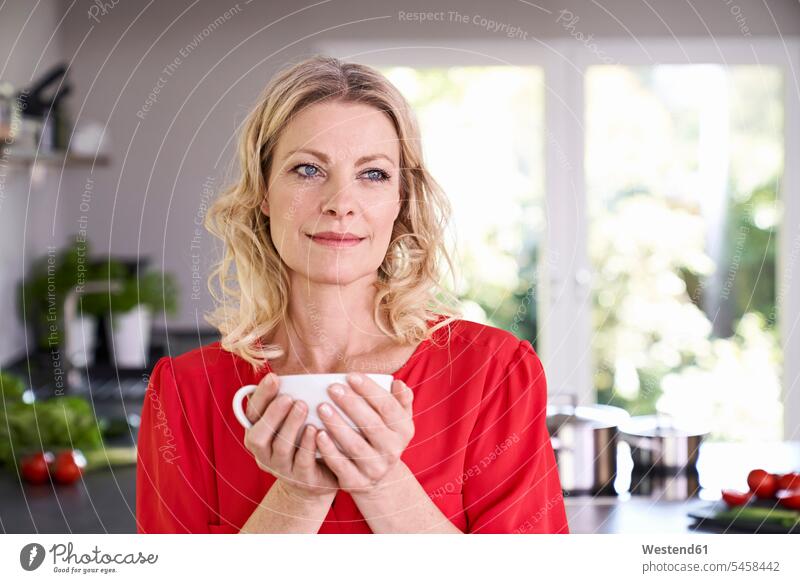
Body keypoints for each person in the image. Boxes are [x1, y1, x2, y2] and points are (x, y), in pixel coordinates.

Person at [135, 55, 568, 534]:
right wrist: (299, 494)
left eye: (374, 174)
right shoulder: (184, 392)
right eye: (307, 169)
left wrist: (381, 482)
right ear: (263, 191)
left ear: (401, 200)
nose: (341, 202)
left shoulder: (494, 373)